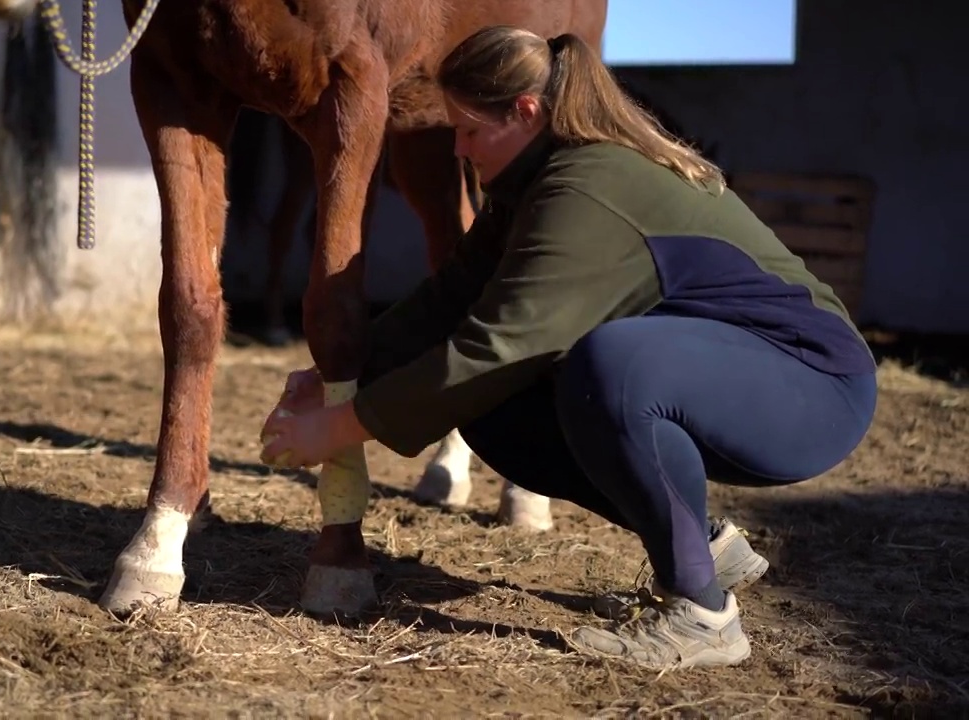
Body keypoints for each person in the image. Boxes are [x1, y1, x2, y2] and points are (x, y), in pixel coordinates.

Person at [259, 25, 878, 671]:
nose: (460, 151)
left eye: (468, 131)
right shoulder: (534, 181)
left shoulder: (586, 186)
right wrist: (336, 374)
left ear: (524, 112)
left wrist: (339, 426)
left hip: (812, 390)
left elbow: (498, 344)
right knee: (495, 412)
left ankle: (703, 619)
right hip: (723, 374)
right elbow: (449, 300)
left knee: (610, 366)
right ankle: (703, 548)